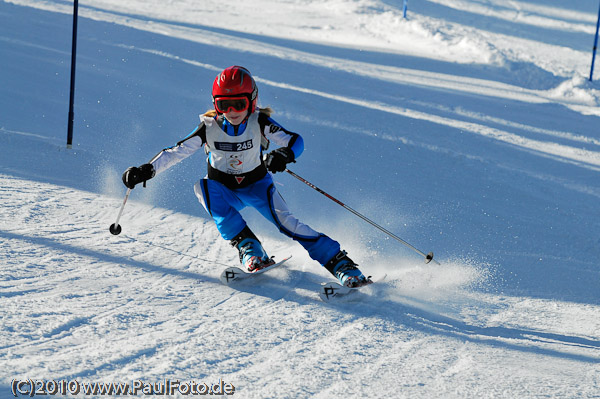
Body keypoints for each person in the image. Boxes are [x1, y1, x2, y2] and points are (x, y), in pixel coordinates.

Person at [122, 66, 371, 288]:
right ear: (214, 104)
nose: (231, 112)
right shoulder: (208, 127)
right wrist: (147, 170)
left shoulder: (259, 122)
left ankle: (343, 265)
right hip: (223, 188)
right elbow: (176, 152)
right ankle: (250, 248)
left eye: (238, 104)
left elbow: (296, 140)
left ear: (252, 101)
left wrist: (284, 154)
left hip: (257, 186)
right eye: (223, 105)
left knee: (288, 225)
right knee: (204, 189)